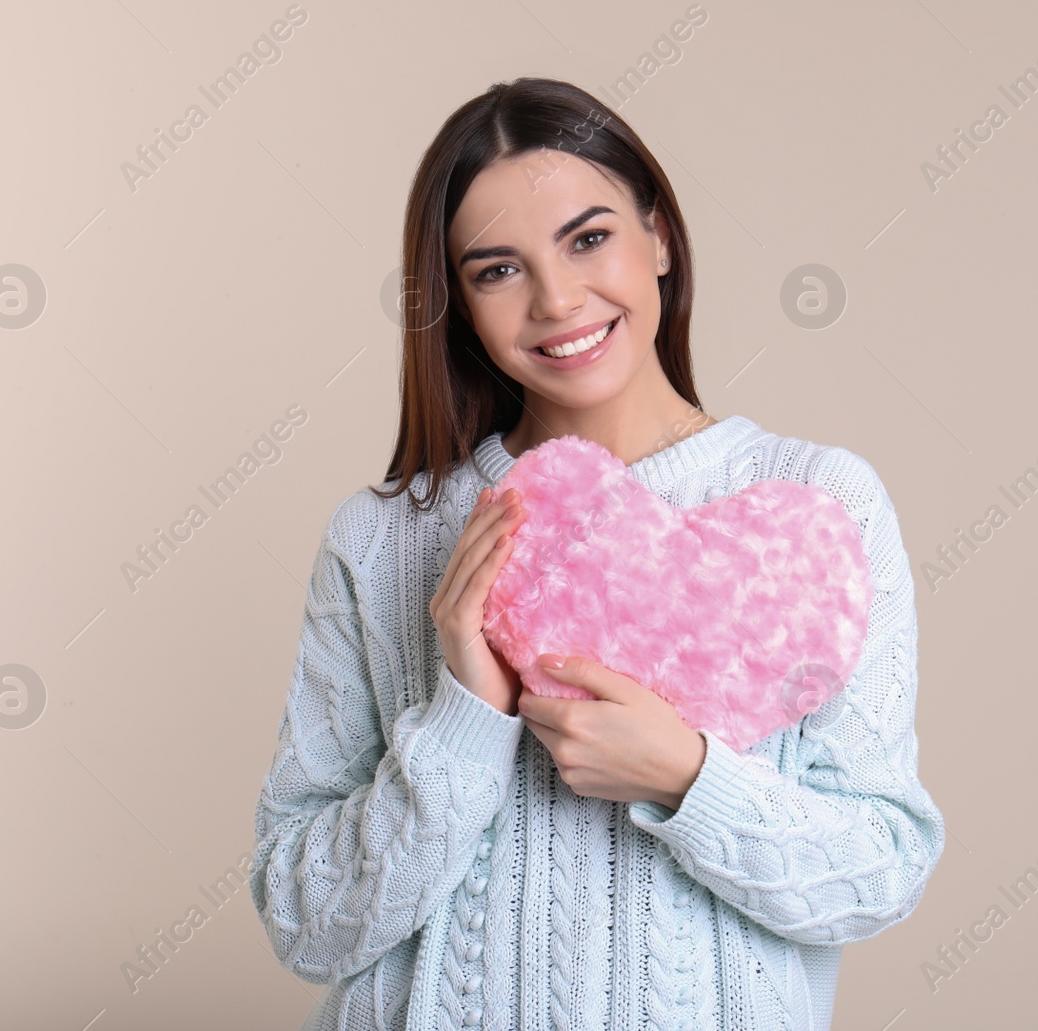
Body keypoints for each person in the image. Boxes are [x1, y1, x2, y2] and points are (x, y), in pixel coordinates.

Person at [249, 76, 945, 1031]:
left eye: (588, 239)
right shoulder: (383, 537)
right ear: (455, 300)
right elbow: (304, 923)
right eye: (497, 269)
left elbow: (880, 870)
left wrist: (689, 777)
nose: (557, 298)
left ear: (658, 234)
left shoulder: (818, 511)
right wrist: (463, 722)